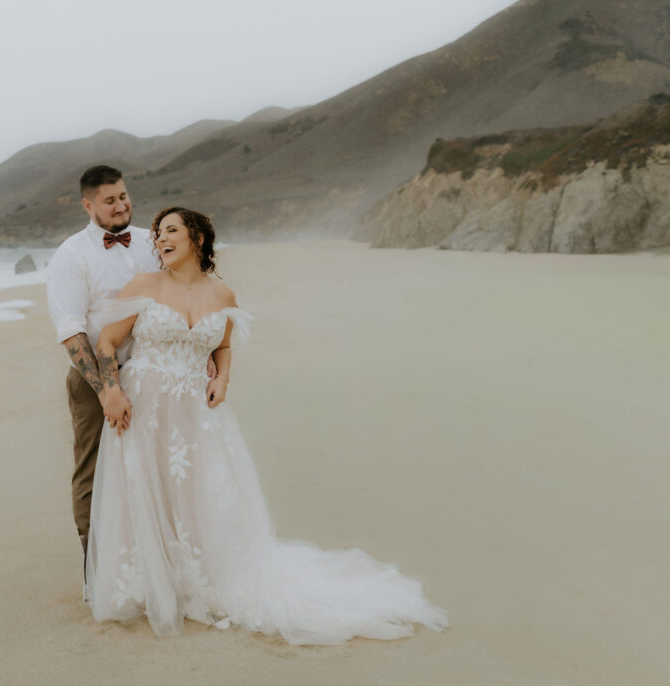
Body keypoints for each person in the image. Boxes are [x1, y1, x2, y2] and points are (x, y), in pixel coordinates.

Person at [85, 207, 449, 645]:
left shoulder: (223, 295)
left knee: (195, 490)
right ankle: (150, 583)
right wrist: (113, 391)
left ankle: (195, 579)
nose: (161, 239)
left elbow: (222, 344)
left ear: (197, 238)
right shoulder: (147, 285)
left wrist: (222, 378)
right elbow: (107, 341)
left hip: (196, 413)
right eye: (158, 233)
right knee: (146, 488)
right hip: (142, 406)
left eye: (172, 231)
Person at [46, 165, 160, 568]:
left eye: (124, 196)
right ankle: (95, 570)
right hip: (94, 378)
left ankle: (153, 559)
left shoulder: (153, 241)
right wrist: (107, 390)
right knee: (94, 467)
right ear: (87, 204)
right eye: (109, 200)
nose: (120, 205)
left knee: (156, 462)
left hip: (154, 372)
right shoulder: (71, 256)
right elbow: (72, 333)